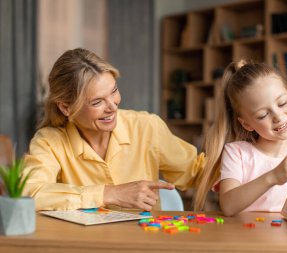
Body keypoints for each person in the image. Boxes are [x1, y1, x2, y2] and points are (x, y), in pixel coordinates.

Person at [23, 48, 204, 211]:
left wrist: (230, 159)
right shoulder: (49, 141)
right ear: (66, 108)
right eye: (97, 102)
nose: (112, 106)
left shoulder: (147, 127)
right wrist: (108, 194)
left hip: (143, 243)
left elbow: (195, 172)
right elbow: (30, 193)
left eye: (114, 91)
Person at [194, 60, 287, 216]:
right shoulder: (237, 153)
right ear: (247, 124)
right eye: (263, 115)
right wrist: (274, 176)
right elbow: (228, 206)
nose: (278, 116)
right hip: (244, 239)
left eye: (282, 103)